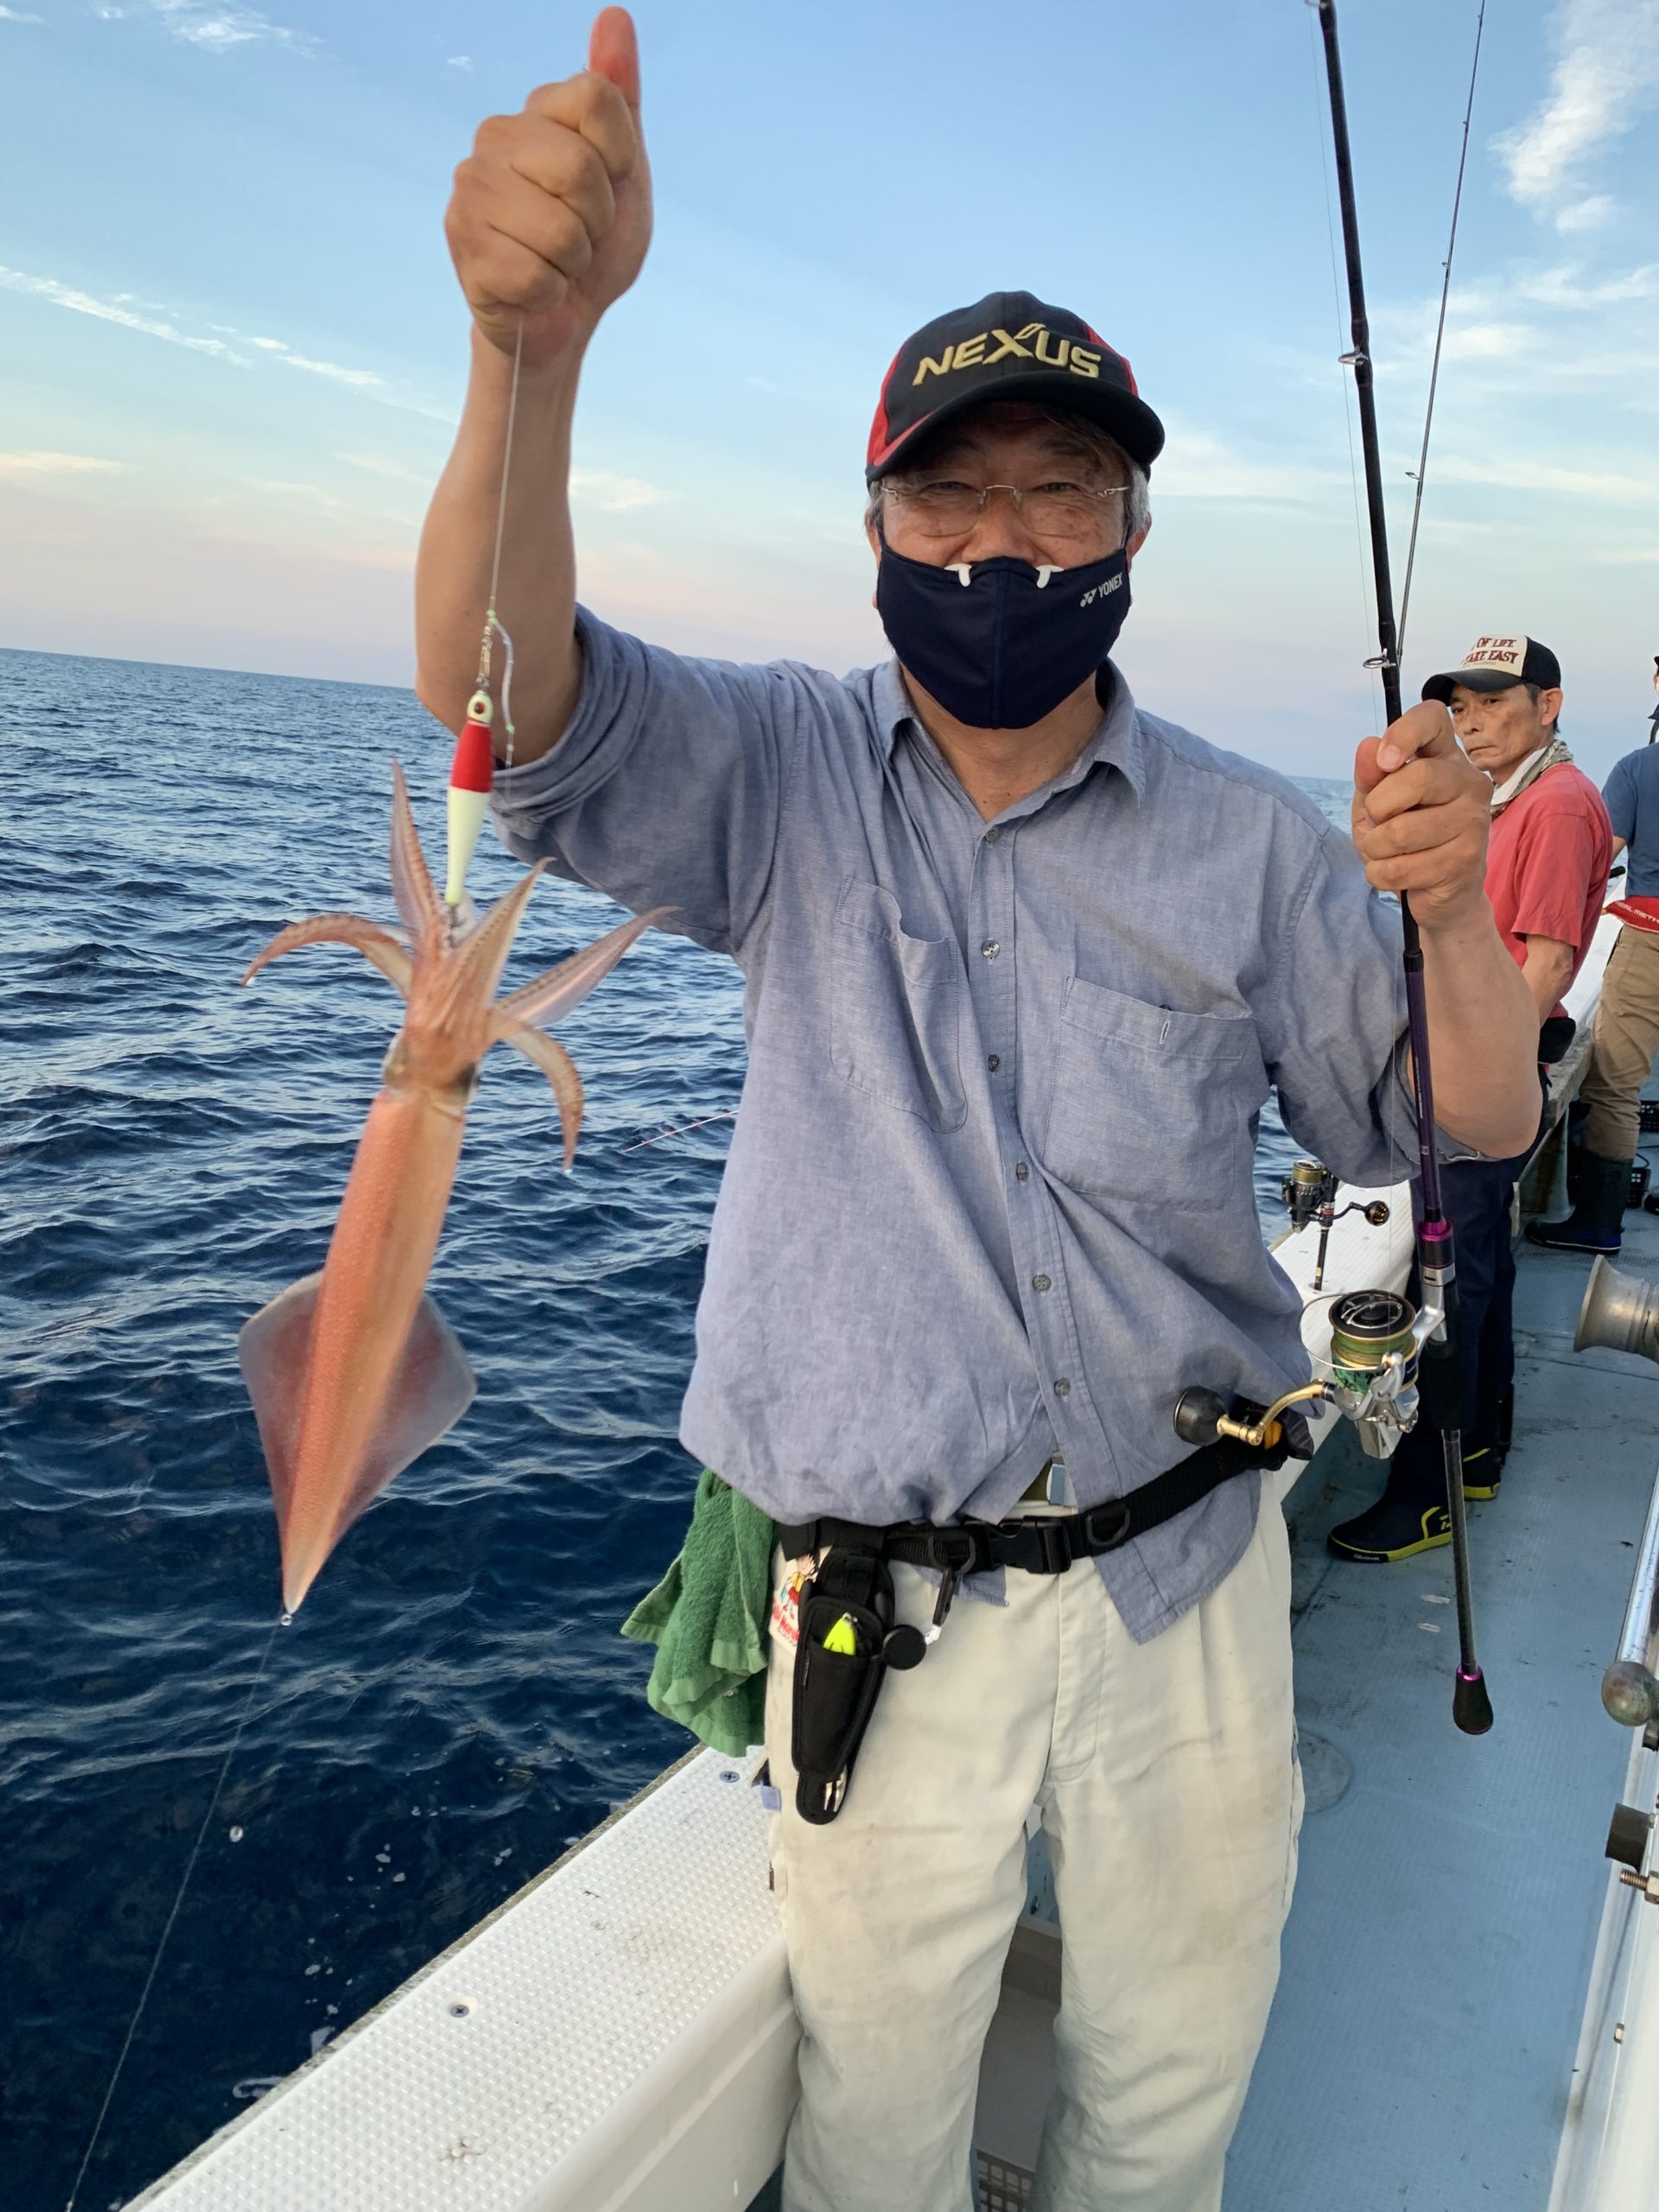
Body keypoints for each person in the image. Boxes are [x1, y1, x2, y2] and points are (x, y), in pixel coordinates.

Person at [417, 16, 1541, 2209]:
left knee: (1163, 2108)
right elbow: (503, 699)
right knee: (873, 2136)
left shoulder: (1245, 837)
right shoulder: (773, 773)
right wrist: (523, 362)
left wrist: (1458, 926)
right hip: (881, 1618)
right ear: (875, 520)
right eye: (954, 488)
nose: (1007, 540)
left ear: (1132, 520)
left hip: (1188, 1565)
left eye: (1061, 490)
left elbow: (1451, 1133)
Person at [1327, 635, 1611, 1560]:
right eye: (1462, 705)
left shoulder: (1560, 806)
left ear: (1549, 706)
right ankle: (1481, 1452)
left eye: (1497, 701)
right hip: (1467, 1081)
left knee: (1445, 1287)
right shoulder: (1508, 799)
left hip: (1474, 1092)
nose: (1474, 719)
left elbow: (1548, 967)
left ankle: (1427, 1493)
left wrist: (1460, 1090)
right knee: (1482, 1267)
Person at [1528, 678, 1659, 1256]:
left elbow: (1599, 855)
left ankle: (1599, 1224)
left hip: (1651, 937)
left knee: (1615, 1083)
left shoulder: (1637, 768)